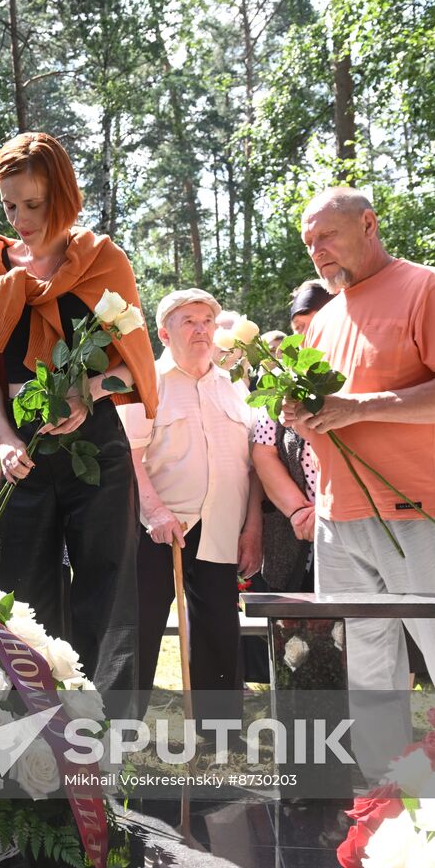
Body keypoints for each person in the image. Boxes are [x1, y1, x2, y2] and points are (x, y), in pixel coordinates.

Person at [283, 186, 435, 774]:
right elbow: (333, 429)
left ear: (369, 224)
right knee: (370, 677)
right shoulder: (323, 320)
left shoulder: (430, 288)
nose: (318, 252)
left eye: (327, 236)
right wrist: (307, 420)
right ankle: (386, 801)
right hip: (337, 522)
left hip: (416, 514)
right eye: (309, 244)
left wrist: (357, 406)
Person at [0, 131, 157, 702]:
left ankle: (104, 743)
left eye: (33, 204)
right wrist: (1, 438)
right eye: (9, 206)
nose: (20, 219)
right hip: (21, 446)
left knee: (107, 589)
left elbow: (134, 370)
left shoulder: (104, 261)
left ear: (63, 196)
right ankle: (36, 743)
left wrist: (87, 392)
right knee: (22, 597)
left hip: (94, 441)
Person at [126, 289, 262, 720]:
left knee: (221, 632)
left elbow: (253, 462)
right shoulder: (147, 382)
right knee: (140, 633)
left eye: (207, 320)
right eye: (189, 321)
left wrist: (253, 528)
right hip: (158, 530)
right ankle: (122, 734)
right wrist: (155, 512)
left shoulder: (233, 384)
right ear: (164, 333)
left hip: (222, 528)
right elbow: (129, 454)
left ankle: (219, 738)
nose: (202, 328)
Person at [251, 279, 332, 593]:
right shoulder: (280, 376)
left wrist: (329, 511)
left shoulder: (358, 371)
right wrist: (299, 511)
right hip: (295, 529)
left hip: (353, 521)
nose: (307, 336)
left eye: (318, 324)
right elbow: (264, 450)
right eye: (299, 327)